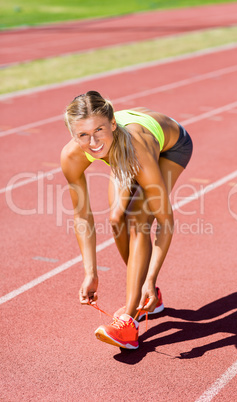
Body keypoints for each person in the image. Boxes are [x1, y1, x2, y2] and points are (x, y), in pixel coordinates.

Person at [61, 90, 193, 349]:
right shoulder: (71, 156)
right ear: (73, 135)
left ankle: (128, 320)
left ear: (112, 124)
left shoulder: (135, 147)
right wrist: (90, 273)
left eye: (99, 129)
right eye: (83, 134)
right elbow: (82, 217)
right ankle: (150, 297)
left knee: (137, 219)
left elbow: (165, 222)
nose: (93, 141)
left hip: (170, 146)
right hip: (122, 148)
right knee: (116, 218)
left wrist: (151, 276)